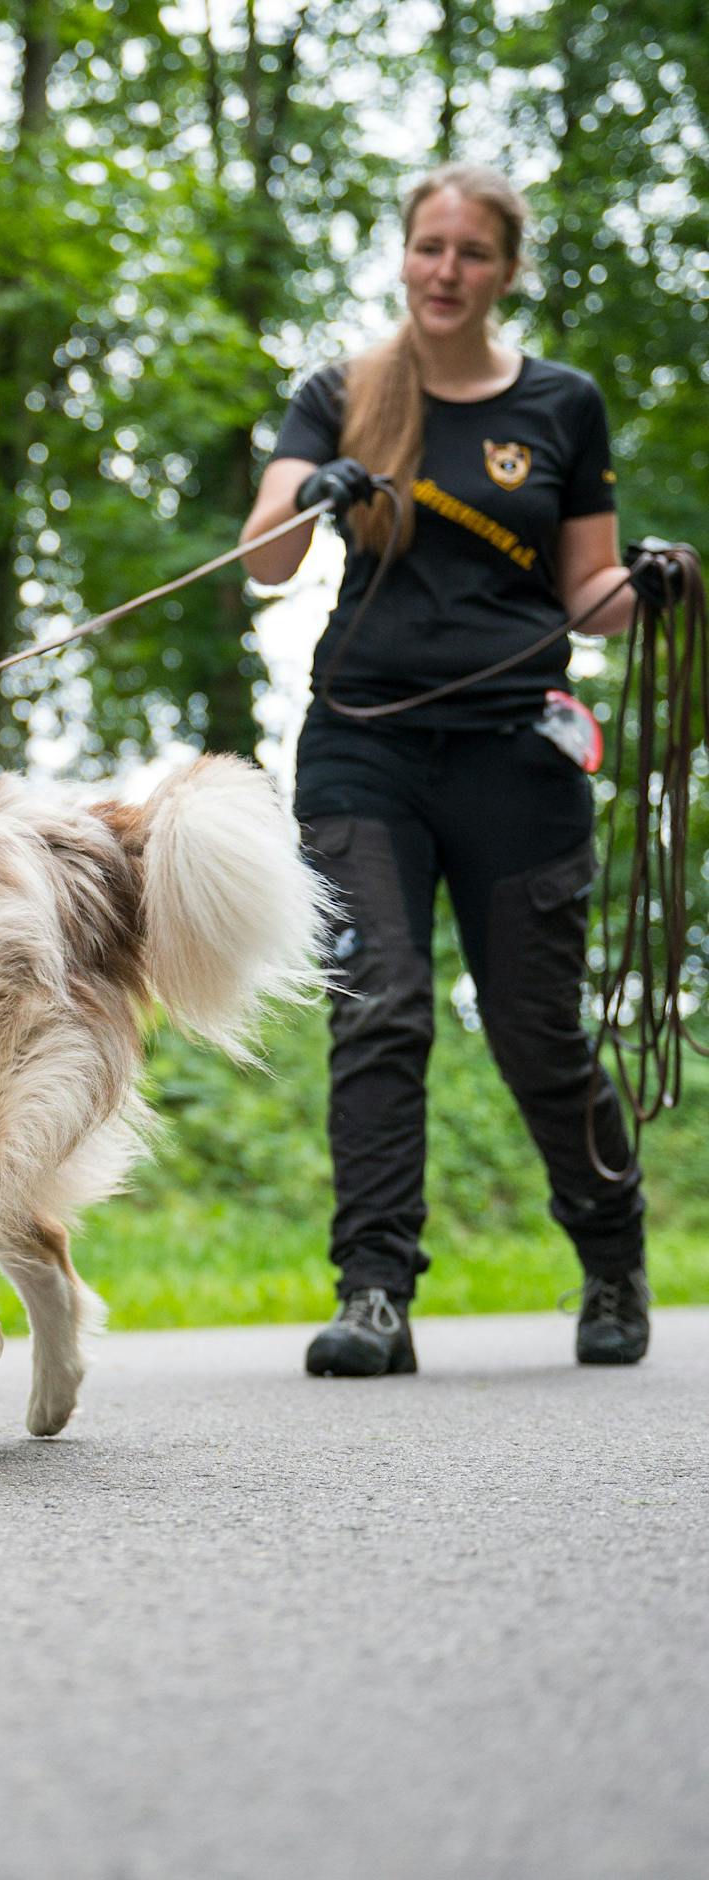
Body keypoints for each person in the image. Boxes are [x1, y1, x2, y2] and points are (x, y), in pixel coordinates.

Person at [238, 162, 667, 1376]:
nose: (445, 271)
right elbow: (262, 561)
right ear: (402, 255)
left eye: (470, 253)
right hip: (360, 748)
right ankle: (373, 1289)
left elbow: (586, 597)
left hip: (510, 755)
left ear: (504, 270)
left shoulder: (560, 405)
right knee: (378, 1008)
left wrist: (643, 587)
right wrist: (310, 493)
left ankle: (608, 1252)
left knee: (536, 1033)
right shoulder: (340, 393)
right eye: (428, 247)